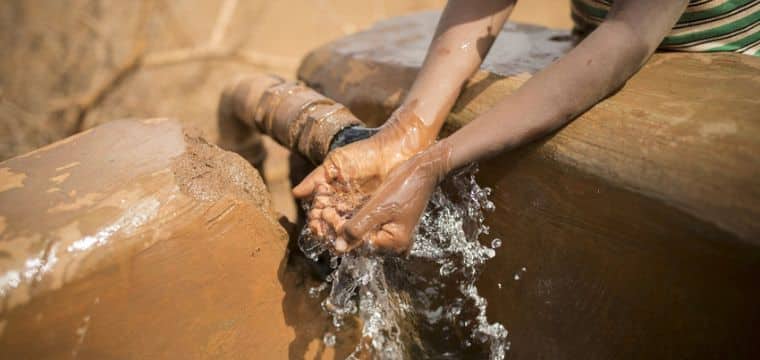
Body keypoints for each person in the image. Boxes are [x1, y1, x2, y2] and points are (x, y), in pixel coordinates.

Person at [292, 0, 760, 253]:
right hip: (596, 45)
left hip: (724, 89)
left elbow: (625, 40)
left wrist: (431, 164)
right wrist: (403, 136)